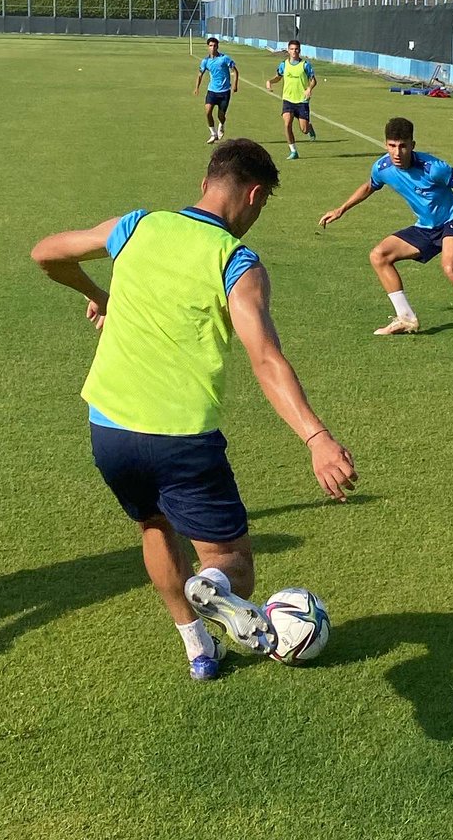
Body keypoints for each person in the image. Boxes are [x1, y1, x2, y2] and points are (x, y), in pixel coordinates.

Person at [31, 138, 356, 681]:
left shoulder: (135, 226)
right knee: (235, 567)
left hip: (108, 428)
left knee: (154, 526)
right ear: (254, 195)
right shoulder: (236, 261)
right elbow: (266, 359)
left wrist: (99, 293)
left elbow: (46, 252)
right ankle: (217, 589)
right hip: (179, 438)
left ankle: (197, 648)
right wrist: (316, 437)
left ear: (206, 182)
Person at [318, 117, 453, 350]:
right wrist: (341, 209)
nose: (397, 152)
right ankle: (406, 318)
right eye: (392, 145)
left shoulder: (434, 168)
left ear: (412, 144)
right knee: (379, 255)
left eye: (403, 145)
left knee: (451, 267)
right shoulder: (382, 168)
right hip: (425, 227)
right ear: (386, 145)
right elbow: (369, 186)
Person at [265, 39, 317, 159]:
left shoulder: (305, 65)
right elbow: (278, 77)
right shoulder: (284, 65)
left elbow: (313, 80)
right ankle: (293, 151)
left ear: (300, 50)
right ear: (288, 50)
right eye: (292, 49)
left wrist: (309, 89)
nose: (294, 51)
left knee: (304, 130)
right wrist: (270, 81)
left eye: (296, 49)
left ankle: (309, 128)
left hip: (302, 100)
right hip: (288, 99)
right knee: (287, 123)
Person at [194, 36, 238, 144]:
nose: (212, 48)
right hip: (212, 91)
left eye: (214, 45)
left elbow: (235, 71)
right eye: (210, 46)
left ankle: (221, 125)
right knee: (208, 112)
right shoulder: (205, 61)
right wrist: (197, 88)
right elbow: (200, 75)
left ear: (217, 46)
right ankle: (213, 134)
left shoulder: (224, 58)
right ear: (207, 47)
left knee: (220, 116)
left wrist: (235, 85)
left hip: (224, 92)